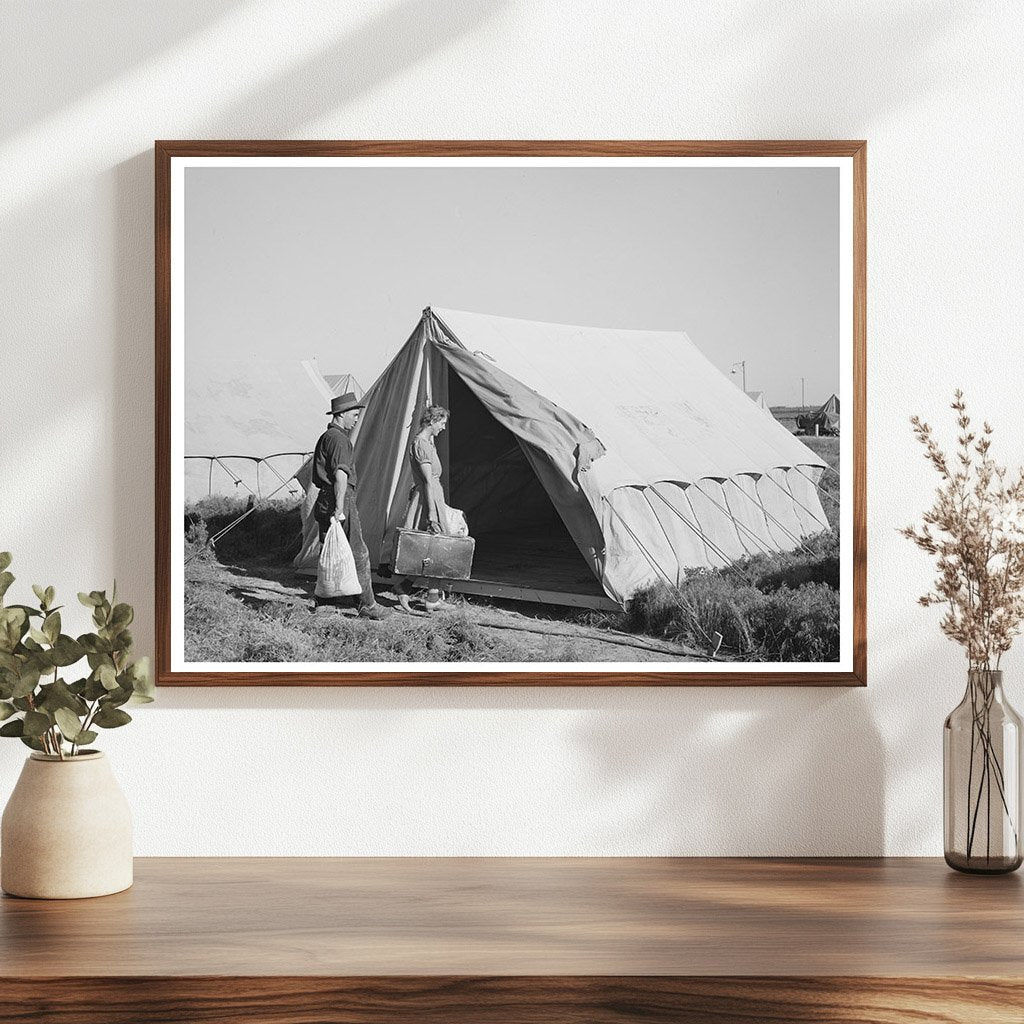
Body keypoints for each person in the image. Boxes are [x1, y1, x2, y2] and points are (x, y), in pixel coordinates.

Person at [312, 392, 390, 619]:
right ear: (341, 414)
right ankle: (367, 605)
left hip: (325, 499)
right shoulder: (339, 439)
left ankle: (325, 603)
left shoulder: (327, 436)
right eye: (354, 415)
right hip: (339, 499)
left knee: (331, 551)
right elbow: (340, 475)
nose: (356, 419)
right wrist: (339, 507)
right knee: (358, 553)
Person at [393, 406, 453, 613]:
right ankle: (425, 596)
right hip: (428, 499)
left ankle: (415, 591)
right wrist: (432, 513)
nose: (443, 428)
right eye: (441, 423)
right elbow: (427, 481)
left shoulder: (427, 444)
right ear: (432, 421)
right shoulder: (421, 444)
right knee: (434, 546)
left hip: (434, 496)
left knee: (434, 548)